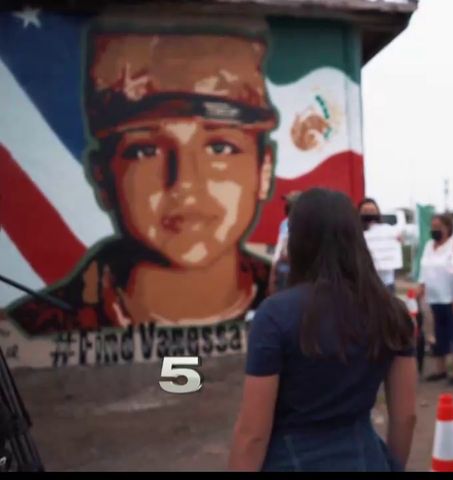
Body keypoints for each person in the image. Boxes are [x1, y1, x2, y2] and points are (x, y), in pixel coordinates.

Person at [7, 15, 275, 333]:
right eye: (145, 151)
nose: (185, 183)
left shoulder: (315, 316)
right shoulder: (28, 334)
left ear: (264, 170)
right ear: (102, 177)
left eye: (220, 148)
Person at [228, 188, 417, 472]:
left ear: (299, 241)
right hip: (365, 457)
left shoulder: (275, 315)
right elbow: (406, 416)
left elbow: (253, 434)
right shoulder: (392, 312)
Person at [418, 214, 453, 385]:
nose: (435, 230)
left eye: (439, 227)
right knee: (440, 334)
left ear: (448, 228)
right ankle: (441, 369)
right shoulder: (428, 246)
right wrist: (421, 287)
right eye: (433, 227)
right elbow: (423, 269)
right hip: (435, 298)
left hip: (452, 297)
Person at [359, 198, 400, 293]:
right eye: (365, 211)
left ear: (378, 213)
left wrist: (400, 240)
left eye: (372, 211)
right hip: (363, 284)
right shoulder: (355, 232)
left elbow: (401, 240)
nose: (369, 214)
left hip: (386, 283)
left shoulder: (389, 230)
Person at [268, 191, 301, 294]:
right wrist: (272, 277)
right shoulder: (284, 224)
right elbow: (278, 252)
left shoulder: (307, 226)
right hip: (284, 271)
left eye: (291, 203)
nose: (287, 205)